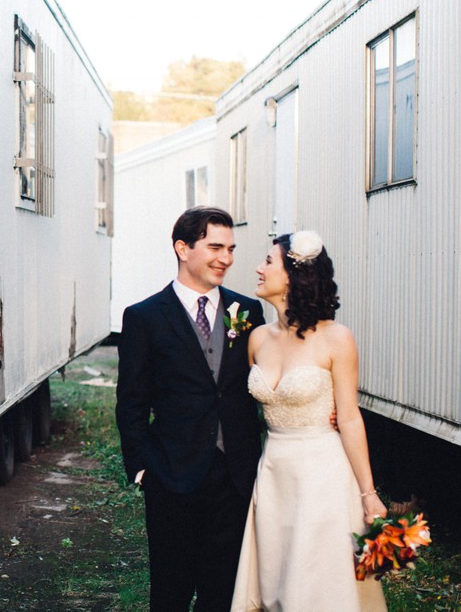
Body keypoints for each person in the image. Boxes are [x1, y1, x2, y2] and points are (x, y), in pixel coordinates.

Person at [116, 206, 266, 611]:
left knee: (225, 589)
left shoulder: (248, 312)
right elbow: (131, 400)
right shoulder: (145, 317)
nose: (227, 258)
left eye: (231, 249)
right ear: (182, 248)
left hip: (235, 474)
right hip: (171, 473)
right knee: (170, 588)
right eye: (215, 246)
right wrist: (141, 466)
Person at [230, 231, 388, 611]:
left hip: (322, 475)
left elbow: (349, 419)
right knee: (276, 581)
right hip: (273, 472)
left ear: (293, 275)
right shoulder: (256, 339)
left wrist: (369, 496)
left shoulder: (337, 339)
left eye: (268, 261)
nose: (258, 267)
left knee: (316, 584)